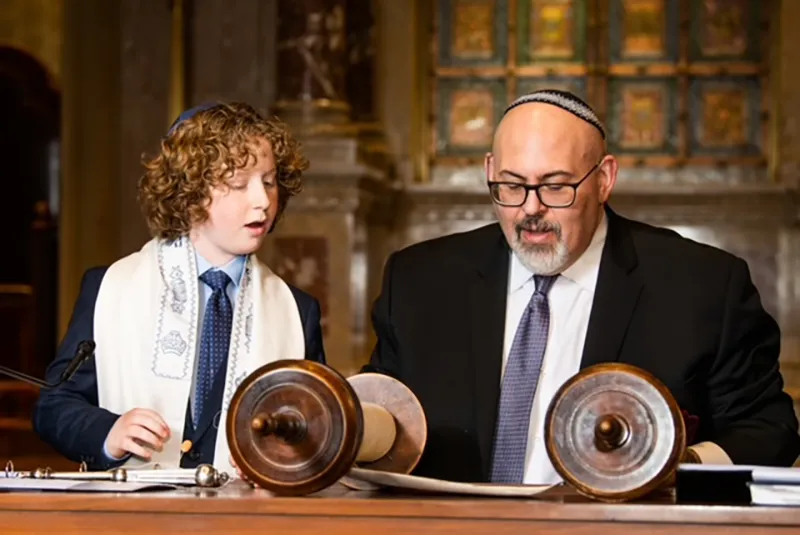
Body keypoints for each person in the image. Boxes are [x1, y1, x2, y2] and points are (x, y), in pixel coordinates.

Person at [363, 89, 800, 485]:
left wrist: (671, 468)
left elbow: (767, 431)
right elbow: (381, 419)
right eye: (511, 186)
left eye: (556, 187)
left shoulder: (701, 285)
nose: (530, 210)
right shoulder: (419, 282)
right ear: (489, 171)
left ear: (604, 178)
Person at [33, 102, 326, 477]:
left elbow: (319, 427)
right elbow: (54, 406)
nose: (263, 201)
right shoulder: (111, 289)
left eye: (268, 182)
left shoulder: (295, 310)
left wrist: (287, 453)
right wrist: (108, 433)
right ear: (188, 194)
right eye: (238, 184)